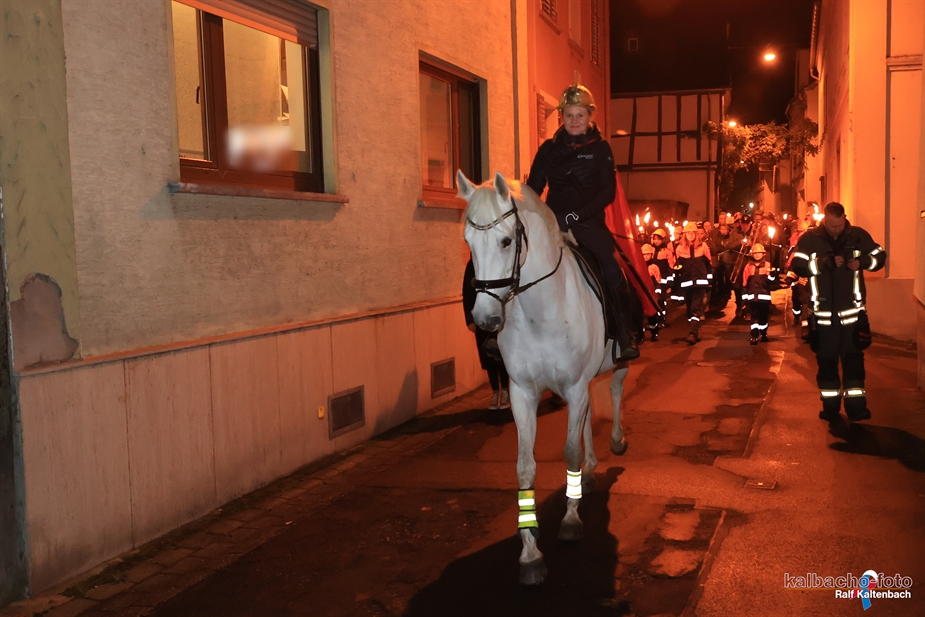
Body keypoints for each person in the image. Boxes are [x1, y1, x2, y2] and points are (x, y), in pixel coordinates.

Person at [526, 78, 639, 361]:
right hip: (553, 221)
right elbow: (534, 188)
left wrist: (575, 216)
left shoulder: (601, 149)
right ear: (561, 117)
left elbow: (607, 192)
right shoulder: (548, 149)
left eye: (580, 115)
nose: (574, 120)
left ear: (589, 117)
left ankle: (624, 333)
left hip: (588, 222)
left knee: (611, 268)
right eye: (569, 115)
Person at [790, 202, 886, 422]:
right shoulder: (810, 239)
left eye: (839, 225)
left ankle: (857, 409)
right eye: (832, 226)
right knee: (826, 364)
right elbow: (798, 266)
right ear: (824, 220)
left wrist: (862, 262)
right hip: (823, 318)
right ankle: (831, 408)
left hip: (852, 316)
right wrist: (824, 264)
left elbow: (880, 257)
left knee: (854, 363)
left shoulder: (857, 236)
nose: (836, 230)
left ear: (844, 218)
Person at [463, 258, 511, 410]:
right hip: (481, 317)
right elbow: (467, 293)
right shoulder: (472, 265)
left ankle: (505, 391)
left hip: (499, 317)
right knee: (487, 356)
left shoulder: (499, 260)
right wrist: (470, 320)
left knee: (500, 355)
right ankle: (495, 392)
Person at [673, 221, 712, 345]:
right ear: (685, 234)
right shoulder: (679, 248)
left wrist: (709, 280)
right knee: (689, 308)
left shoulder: (703, 247)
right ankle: (694, 331)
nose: (690, 235)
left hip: (700, 283)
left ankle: (692, 333)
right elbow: (675, 266)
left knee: (696, 308)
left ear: (696, 234)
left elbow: (709, 264)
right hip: (686, 283)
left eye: (692, 232)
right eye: (688, 232)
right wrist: (677, 269)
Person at [741, 243, 777, 344]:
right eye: (755, 253)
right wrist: (744, 300)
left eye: (759, 253)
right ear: (752, 254)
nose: (757, 255)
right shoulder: (748, 266)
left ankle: (763, 333)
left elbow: (771, 282)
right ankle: (754, 335)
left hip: (764, 297)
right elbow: (744, 283)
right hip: (752, 297)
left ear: (763, 254)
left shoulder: (767, 265)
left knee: (763, 316)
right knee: (754, 316)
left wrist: (772, 275)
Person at [641, 243, 664, 341]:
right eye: (644, 254)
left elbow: (658, 281)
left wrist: (657, 293)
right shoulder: (638, 267)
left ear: (652, 255)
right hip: (641, 293)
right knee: (640, 315)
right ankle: (640, 335)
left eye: (647, 254)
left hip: (651, 294)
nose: (645, 256)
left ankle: (654, 333)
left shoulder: (654, 267)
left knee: (652, 315)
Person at [650, 228, 676, 308]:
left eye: (658, 239)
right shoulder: (650, 250)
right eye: (655, 239)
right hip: (652, 278)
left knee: (661, 295)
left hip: (662, 278)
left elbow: (670, 266)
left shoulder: (667, 252)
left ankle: (662, 311)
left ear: (663, 240)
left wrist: (670, 279)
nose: (656, 241)